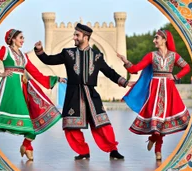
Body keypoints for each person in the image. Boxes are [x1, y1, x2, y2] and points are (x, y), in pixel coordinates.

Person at [34, 23, 129, 160]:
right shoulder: (68, 53)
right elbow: (50, 60)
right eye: (74, 35)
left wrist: (124, 82)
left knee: (103, 124)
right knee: (71, 127)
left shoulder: (97, 56)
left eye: (77, 35)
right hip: (73, 95)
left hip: (91, 94)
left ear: (86, 37)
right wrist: (39, 51)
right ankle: (83, 152)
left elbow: (109, 72)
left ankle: (113, 150)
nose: (74, 38)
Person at [0, 29, 66, 160]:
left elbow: (36, 72)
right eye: (21, 38)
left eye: (23, 38)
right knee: (27, 122)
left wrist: (56, 79)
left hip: (22, 89)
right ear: (13, 39)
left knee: (33, 120)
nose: (23, 40)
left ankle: (27, 145)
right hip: (10, 89)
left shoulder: (23, 55)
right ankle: (26, 146)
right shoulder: (5, 51)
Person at [117, 29, 191, 160]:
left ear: (164, 39)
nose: (154, 40)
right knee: (157, 124)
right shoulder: (151, 55)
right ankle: (157, 149)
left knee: (162, 124)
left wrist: (176, 76)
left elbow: (187, 67)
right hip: (155, 90)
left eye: (156, 38)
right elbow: (135, 69)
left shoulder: (173, 56)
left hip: (169, 90)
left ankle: (154, 143)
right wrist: (125, 61)